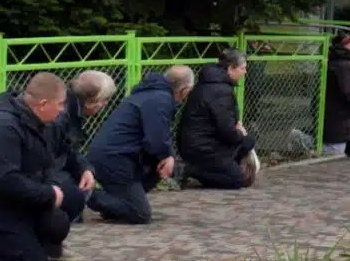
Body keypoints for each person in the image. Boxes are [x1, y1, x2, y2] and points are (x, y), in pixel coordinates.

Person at [86, 66, 193, 224]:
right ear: (185, 90)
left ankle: (117, 205)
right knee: (140, 214)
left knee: (158, 167)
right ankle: (86, 195)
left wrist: (166, 156)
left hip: (115, 156)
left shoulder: (149, 93)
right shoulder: (161, 99)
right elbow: (156, 136)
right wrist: (167, 156)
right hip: (115, 159)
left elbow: (159, 134)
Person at [0, 73, 80, 261]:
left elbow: (49, 163)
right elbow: (6, 179)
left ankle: (26, 240)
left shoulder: (40, 122)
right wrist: (48, 193)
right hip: (5, 202)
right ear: (43, 104)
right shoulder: (6, 126)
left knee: (62, 214)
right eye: (60, 104)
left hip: (19, 198)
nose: (63, 109)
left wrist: (52, 188)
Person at [178, 49, 259, 189]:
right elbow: (226, 131)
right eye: (243, 68)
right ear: (231, 69)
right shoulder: (220, 90)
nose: (245, 72)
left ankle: (206, 170)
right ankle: (188, 169)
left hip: (198, 143)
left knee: (247, 141)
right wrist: (241, 133)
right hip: (202, 147)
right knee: (236, 179)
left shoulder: (211, 84)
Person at [54, 71, 115, 235]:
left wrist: (85, 169)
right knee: (73, 192)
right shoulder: (62, 114)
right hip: (45, 170)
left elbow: (70, 149)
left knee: (82, 179)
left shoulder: (73, 109)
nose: (105, 105)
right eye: (103, 100)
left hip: (53, 165)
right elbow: (55, 157)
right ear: (91, 101)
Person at [324, 36, 350, 157]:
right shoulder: (346, 66)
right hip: (339, 124)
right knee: (333, 155)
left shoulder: (336, 62)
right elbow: (348, 93)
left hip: (334, 121)